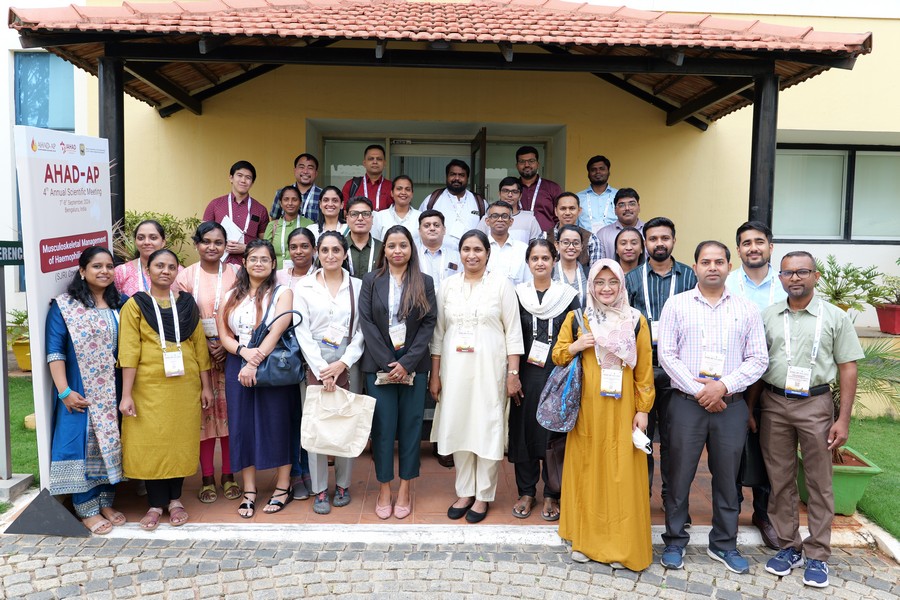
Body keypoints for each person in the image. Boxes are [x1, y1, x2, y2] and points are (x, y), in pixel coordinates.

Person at [657, 241, 768, 575]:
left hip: (730, 406)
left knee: (727, 477)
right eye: (705, 262)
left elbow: (758, 358)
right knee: (679, 475)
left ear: (729, 267)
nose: (713, 267)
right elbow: (667, 355)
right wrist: (700, 391)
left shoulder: (747, 309)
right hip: (686, 405)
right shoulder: (676, 305)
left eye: (719, 262)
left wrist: (723, 386)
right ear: (695, 267)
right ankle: (674, 540)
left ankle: (724, 543)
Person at [754, 251, 863, 589]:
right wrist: (750, 409)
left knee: (818, 481)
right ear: (780, 279)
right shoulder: (768, 316)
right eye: (788, 273)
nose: (795, 278)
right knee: (780, 479)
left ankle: (817, 554)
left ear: (816, 276)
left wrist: (843, 419)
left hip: (815, 404)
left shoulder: (835, 317)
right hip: (774, 403)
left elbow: (848, 367)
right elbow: (758, 364)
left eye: (802, 272)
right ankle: (789, 546)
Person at [552, 259, 655, 570]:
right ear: (591, 286)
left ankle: (622, 547)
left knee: (621, 473)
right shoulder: (577, 318)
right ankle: (584, 541)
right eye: (599, 282)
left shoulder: (635, 320)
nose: (606, 288)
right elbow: (557, 355)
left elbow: (645, 369)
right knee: (588, 471)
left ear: (621, 285)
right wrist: (576, 346)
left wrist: (643, 410)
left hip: (624, 410)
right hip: (587, 409)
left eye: (612, 282)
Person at [429, 230, 524, 523]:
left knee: (487, 428)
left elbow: (513, 332)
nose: (472, 255)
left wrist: (513, 373)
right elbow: (438, 334)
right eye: (466, 249)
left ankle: (483, 495)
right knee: (458, 426)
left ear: (487, 253)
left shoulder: (502, 285)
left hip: (490, 370)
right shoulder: (447, 286)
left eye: (478, 250)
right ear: (459, 253)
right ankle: (464, 491)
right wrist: (435, 375)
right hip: (454, 371)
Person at [119, 248, 214, 530]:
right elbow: (129, 350)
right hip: (147, 388)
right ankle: (154, 503)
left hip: (184, 386)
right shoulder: (136, 305)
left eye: (171, 267)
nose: (165, 271)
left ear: (177, 272)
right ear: (148, 270)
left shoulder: (186, 304)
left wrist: (206, 387)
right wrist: (126, 394)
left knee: (178, 440)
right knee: (151, 442)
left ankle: (175, 500)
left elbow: (200, 347)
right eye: (159, 265)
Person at [46, 247, 128, 535]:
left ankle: (105, 501)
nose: (104, 271)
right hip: (78, 388)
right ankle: (85, 507)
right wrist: (64, 391)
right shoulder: (65, 306)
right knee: (79, 443)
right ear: (82, 271)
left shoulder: (121, 303)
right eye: (96, 266)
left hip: (113, 388)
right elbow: (55, 351)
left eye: (109, 266)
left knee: (108, 444)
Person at [359, 225, 437, 519]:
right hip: (379, 365)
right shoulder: (371, 280)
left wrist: (407, 363)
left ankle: (404, 487)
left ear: (411, 249)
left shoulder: (424, 282)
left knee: (410, 427)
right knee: (382, 428)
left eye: (403, 245)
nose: (397, 250)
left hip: (413, 366)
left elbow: (429, 324)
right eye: (391, 245)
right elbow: (366, 322)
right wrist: (388, 362)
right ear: (385, 250)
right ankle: (384, 488)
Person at [217, 240, 298, 518]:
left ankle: (283, 486)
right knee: (242, 426)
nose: (259, 263)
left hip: (272, 363)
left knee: (278, 422)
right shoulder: (232, 295)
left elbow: (277, 329)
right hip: (237, 361)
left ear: (273, 263)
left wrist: (254, 361)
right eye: (253, 258)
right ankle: (249, 490)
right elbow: (224, 334)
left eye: (264, 259)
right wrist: (243, 353)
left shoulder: (283, 292)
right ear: (244, 262)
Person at [624, 216, 697, 505]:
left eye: (665, 238)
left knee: (675, 439)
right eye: (653, 239)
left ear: (674, 241)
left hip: (679, 371)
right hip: (642, 369)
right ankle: (641, 498)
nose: (659, 243)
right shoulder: (631, 279)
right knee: (641, 435)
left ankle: (673, 499)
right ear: (645, 243)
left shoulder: (690, 277)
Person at [725, 220, 787, 550]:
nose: (753, 248)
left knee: (770, 450)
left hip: (774, 380)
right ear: (738, 250)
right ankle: (730, 511)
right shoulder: (728, 283)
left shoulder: (786, 283)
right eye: (746, 243)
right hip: (735, 380)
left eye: (759, 242)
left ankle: (764, 514)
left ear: (770, 247)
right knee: (731, 448)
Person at [294, 232, 365, 515]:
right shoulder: (304, 286)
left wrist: (343, 363)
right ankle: (320, 488)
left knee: (346, 422)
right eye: (324, 250)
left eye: (336, 250)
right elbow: (301, 329)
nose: (330, 255)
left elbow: (362, 330)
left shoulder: (358, 286)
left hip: (348, 361)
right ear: (317, 253)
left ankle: (344, 484)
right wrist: (322, 369)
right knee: (316, 425)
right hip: (314, 362)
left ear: (345, 254)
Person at [510, 240, 579, 522]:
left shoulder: (568, 296)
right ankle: (526, 491)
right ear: (528, 263)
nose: (540, 263)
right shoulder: (517, 294)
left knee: (553, 434)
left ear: (554, 261)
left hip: (558, 373)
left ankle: (552, 493)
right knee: (524, 431)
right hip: (525, 373)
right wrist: (512, 374)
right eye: (535, 258)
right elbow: (510, 334)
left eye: (545, 258)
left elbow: (576, 333)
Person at [174, 222, 241, 505]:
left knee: (230, 417)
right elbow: (181, 318)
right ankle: (207, 478)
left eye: (218, 242)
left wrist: (226, 344)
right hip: (197, 356)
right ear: (197, 244)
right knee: (205, 419)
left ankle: (229, 474)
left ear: (226, 246)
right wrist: (205, 346)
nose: (212, 247)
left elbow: (244, 312)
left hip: (232, 354)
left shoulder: (237, 273)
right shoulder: (185, 276)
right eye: (206, 241)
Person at [203, 160, 270, 266]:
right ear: (231, 178)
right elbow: (203, 237)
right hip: (218, 265)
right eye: (239, 175)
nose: (243, 180)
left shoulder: (260, 209)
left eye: (248, 177)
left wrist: (247, 248)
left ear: (252, 183)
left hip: (249, 266)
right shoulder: (215, 205)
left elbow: (265, 244)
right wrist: (220, 245)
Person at [422, 160, 486, 248]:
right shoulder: (432, 199)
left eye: (461, 175)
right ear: (447, 176)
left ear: (467, 178)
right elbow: (421, 227)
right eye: (453, 174)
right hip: (439, 253)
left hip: (471, 254)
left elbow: (487, 231)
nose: (457, 178)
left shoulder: (479, 202)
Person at [114, 220, 180, 296]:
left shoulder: (179, 273)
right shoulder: (121, 272)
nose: (146, 242)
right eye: (141, 238)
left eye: (153, 238)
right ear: (135, 242)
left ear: (163, 242)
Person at [477, 177, 542, 244]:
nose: (510, 195)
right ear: (499, 193)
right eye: (506, 191)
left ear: (520, 196)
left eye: (514, 192)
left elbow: (538, 246)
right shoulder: (488, 218)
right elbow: (477, 242)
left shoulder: (530, 220)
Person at [544, 192, 602, 267]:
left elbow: (595, 271)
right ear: (556, 211)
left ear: (579, 211)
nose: (567, 213)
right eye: (563, 208)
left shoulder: (591, 239)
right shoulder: (544, 236)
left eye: (572, 208)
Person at [485, 200, 532, 286]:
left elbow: (529, 283)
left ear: (511, 221)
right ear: (487, 221)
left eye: (504, 216)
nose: (500, 219)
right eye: (495, 216)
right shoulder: (480, 248)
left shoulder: (523, 249)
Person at [265, 186, 313, 269]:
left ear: (300, 203)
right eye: (286, 199)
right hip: (277, 274)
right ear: (280, 203)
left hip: (304, 273)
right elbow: (265, 252)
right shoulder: (272, 226)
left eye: (294, 199)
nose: (290, 203)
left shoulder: (309, 224)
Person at [515, 147, 561, 232]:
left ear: (538, 164)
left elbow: (560, 217)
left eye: (531, 161)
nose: (527, 165)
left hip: (547, 237)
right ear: (517, 166)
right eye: (522, 161)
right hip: (517, 237)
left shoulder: (552, 188)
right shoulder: (511, 190)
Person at [417, 210, 461, 293]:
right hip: (420, 299)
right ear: (419, 231)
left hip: (449, 299)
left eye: (436, 225)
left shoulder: (457, 257)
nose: (432, 228)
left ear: (444, 230)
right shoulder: (412, 256)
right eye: (427, 226)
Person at [270, 153, 322, 222]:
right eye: (301, 167)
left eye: (310, 168)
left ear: (316, 173)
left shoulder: (323, 195)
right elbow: (274, 219)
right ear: (295, 170)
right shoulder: (281, 193)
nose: (305, 171)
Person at [341, 144, 392, 211]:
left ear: (384, 163)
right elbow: (344, 212)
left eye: (379, 159)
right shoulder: (351, 185)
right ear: (364, 163)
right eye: (371, 159)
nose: (375, 162)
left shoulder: (391, 187)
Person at [596, 188, 644, 259]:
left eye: (632, 204)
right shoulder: (602, 235)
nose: (627, 208)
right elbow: (600, 263)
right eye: (622, 205)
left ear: (639, 207)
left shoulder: (648, 231)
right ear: (615, 210)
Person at [373, 175, 421, 243]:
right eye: (399, 189)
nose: (403, 192)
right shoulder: (380, 216)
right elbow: (375, 243)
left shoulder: (420, 217)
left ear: (412, 194)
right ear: (392, 193)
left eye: (407, 189)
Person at [345, 196, 383, 279]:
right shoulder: (337, 247)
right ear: (347, 219)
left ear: (372, 219)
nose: (360, 218)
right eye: (354, 214)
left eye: (365, 214)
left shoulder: (382, 248)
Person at [577, 155, 618, 232]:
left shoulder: (618, 196)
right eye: (593, 170)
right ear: (588, 174)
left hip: (614, 238)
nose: (598, 172)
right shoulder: (578, 198)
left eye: (602, 169)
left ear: (608, 172)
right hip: (585, 239)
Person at [551, 225, 589, 307]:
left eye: (576, 243)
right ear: (557, 245)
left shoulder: (589, 274)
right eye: (566, 242)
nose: (571, 247)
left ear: (581, 246)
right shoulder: (549, 273)